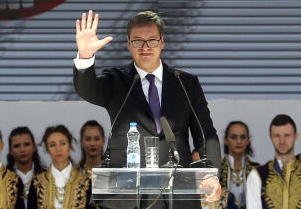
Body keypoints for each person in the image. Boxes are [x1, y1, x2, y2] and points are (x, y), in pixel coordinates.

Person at [72, 10, 223, 172]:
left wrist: (211, 174)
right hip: (127, 185)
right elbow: (86, 90)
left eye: (152, 40)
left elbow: (206, 134)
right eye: (138, 41)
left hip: (175, 183)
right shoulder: (116, 80)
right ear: (129, 44)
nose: (145, 47)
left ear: (162, 42)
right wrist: (85, 56)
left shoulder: (186, 83)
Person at [245, 115, 301, 209]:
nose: (282, 141)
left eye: (287, 135)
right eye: (277, 136)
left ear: (295, 136)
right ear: (270, 137)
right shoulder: (257, 175)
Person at [27, 126, 91, 209]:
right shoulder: (37, 183)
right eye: (52, 145)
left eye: (63, 143)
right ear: (47, 149)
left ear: (70, 145)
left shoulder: (85, 182)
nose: (58, 149)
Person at [221, 121, 257, 209]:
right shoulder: (217, 169)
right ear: (226, 140)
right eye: (233, 137)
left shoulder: (257, 170)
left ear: (248, 140)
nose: (238, 141)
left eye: (243, 137)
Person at [6, 127, 43, 204]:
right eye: (17, 146)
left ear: (34, 147)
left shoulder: (47, 178)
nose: (22, 150)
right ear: (10, 151)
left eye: (27, 144)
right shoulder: (3, 180)